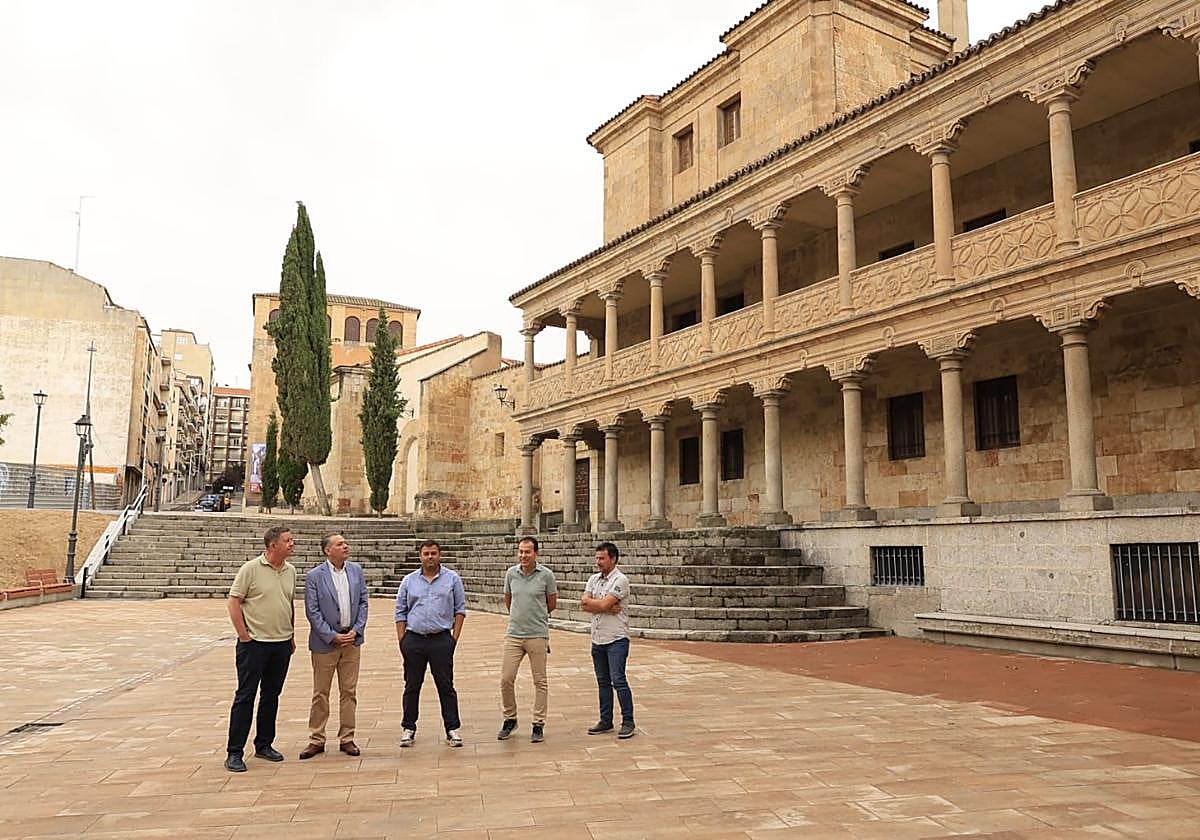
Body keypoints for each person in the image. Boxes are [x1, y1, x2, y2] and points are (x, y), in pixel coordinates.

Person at [224, 525, 297, 772]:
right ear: (272, 545)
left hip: (281, 643)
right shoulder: (250, 569)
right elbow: (234, 601)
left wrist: (291, 635)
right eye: (287, 540)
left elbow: (288, 603)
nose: (292, 544)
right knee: (245, 696)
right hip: (254, 644)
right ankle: (235, 752)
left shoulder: (290, 571)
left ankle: (264, 744)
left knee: (271, 696)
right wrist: (243, 635)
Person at [299, 532, 369, 760]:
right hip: (325, 644)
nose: (345, 546)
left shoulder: (356, 571)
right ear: (328, 550)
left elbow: (363, 602)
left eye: (345, 543)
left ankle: (347, 737)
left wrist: (356, 630)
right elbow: (313, 611)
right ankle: (316, 738)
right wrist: (331, 636)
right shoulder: (314, 577)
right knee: (321, 692)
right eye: (340, 544)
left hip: (351, 641)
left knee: (349, 691)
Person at [395, 539, 467, 748]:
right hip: (414, 639)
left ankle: (452, 728)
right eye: (426, 553)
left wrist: (453, 639)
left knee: (445, 685)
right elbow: (400, 611)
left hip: (441, 639)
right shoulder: (409, 581)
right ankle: (408, 727)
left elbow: (460, 610)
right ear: (420, 556)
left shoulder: (452, 579)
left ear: (440, 555)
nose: (430, 557)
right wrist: (403, 640)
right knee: (412, 685)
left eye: (433, 553)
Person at [497, 536, 558, 743]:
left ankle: (538, 723)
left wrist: (536, 618)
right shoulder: (511, 574)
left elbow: (551, 603)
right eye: (520, 551)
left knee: (540, 681)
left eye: (527, 552)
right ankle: (510, 718)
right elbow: (509, 601)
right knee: (506, 678)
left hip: (537, 634)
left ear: (536, 554)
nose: (523, 555)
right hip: (514, 633)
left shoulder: (546, 575)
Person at [580, 541, 635, 739]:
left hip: (616, 638)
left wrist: (598, 605)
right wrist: (600, 606)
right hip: (598, 637)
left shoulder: (620, 580)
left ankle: (628, 720)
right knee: (602, 681)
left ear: (613, 558)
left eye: (602, 558)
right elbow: (584, 603)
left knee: (618, 680)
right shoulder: (594, 579)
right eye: (597, 558)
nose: (598, 562)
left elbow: (600, 603)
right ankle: (606, 719)